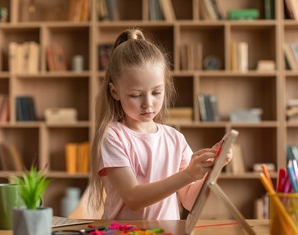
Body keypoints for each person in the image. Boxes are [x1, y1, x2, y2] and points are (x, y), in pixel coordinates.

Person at [89, 28, 232, 220]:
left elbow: (190, 200)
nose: (148, 103)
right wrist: (188, 174)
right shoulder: (113, 136)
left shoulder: (175, 138)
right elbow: (133, 197)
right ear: (115, 92)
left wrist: (213, 168)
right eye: (135, 95)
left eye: (156, 92)